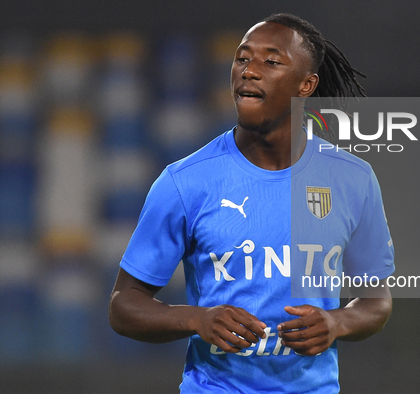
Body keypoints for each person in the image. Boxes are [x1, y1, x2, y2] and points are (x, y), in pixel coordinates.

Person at [108, 13, 394, 393]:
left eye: (271, 61)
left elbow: (376, 300)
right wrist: (196, 319)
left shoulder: (353, 179)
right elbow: (123, 304)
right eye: (242, 58)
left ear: (306, 85)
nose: (249, 71)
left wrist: (337, 322)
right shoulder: (185, 181)